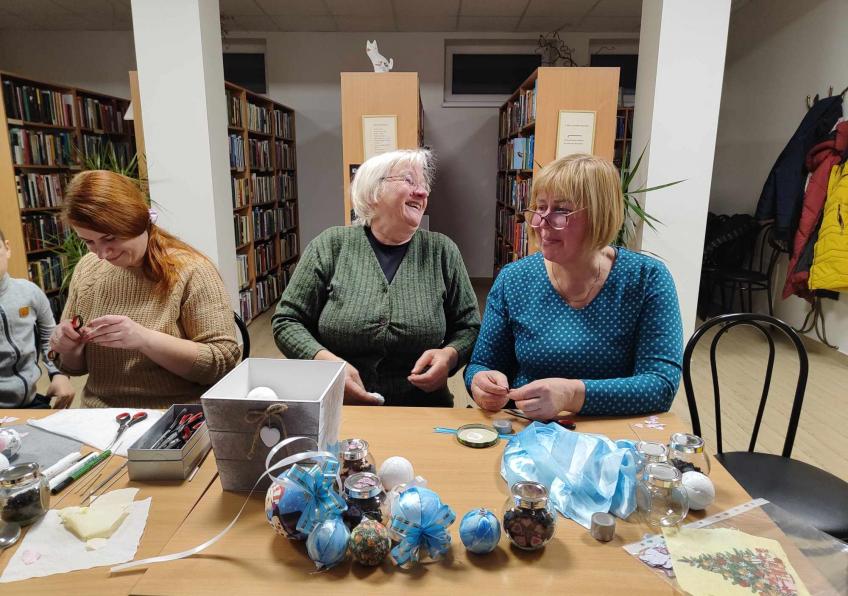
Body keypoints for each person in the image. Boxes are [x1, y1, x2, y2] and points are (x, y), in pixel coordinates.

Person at [465, 153, 683, 419]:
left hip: (615, 436)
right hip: (528, 433)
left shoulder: (647, 279)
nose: (541, 222)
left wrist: (572, 394)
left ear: (599, 215)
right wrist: (481, 383)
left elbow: (661, 385)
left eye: (561, 211)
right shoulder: (514, 278)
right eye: (540, 207)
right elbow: (482, 363)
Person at [273, 149, 480, 407]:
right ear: (373, 192)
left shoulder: (442, 251)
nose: (423, 192)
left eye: (424, 185)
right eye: (409, 181)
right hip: (338, 403)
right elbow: (287, 320)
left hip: (422, 409)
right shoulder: (331, 245)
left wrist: (449, 356)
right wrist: (326, 363)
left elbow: (469, 326)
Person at [48, 170, 239, 408]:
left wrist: (144, 339)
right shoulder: (88, 269)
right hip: (98, 417)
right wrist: (70, 348)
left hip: (174, 415)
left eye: (110, 238)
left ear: (136, 221)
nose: (102, 254)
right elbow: (73, 368)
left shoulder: (192, 271)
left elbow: (221, 362)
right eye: (88, 241)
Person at [0, 228, 75, 408]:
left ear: (7, 248)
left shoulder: (29, 292)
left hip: (30, 400)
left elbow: (50, 336)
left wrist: (58, 373)